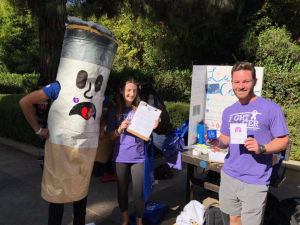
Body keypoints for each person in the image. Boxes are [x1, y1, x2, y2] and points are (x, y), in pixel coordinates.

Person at [20, 81, 114, 225]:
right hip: (60, 151)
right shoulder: (60, 86)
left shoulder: (95, 89)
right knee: (58, 197)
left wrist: (102, 126)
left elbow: (112, 106)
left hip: (83, 151)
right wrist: (38, 129)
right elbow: (25, 101)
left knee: (80, 196)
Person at [206, 62, 289, 225]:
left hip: (255, 179)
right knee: (234, 219)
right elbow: (226, 140)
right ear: (231, 83)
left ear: (255, 81)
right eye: (236, 82)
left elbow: (283, 141)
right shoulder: (229, 111)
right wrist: (216, 141)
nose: (241, 86)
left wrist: (262, 148)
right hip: (230, 174)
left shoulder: (271, 109)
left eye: (246, 81)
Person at [107, 77, 158, 225]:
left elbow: (146, 135)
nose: (131, 93)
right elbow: (111, 136)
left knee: (138, 193)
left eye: (134, 91)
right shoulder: (114, 112)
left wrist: (152, 126)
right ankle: (124, 220)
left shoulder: (142, 110)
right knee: (122, 191)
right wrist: (119, 129)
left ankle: (139, 222)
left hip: (139, 157)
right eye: (128, 90)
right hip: (120, 157)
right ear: (121, 91)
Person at [35, 77, 51, 170]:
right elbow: (33, 106)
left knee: (47, 141)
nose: (42, 88)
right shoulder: (36, 95)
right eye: (41, 86)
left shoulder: (49, 96)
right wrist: (34, 116)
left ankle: (46, 160)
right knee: (43, 141)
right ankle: (43, 159)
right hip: (41, 120)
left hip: (48, 121)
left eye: (44, 86)